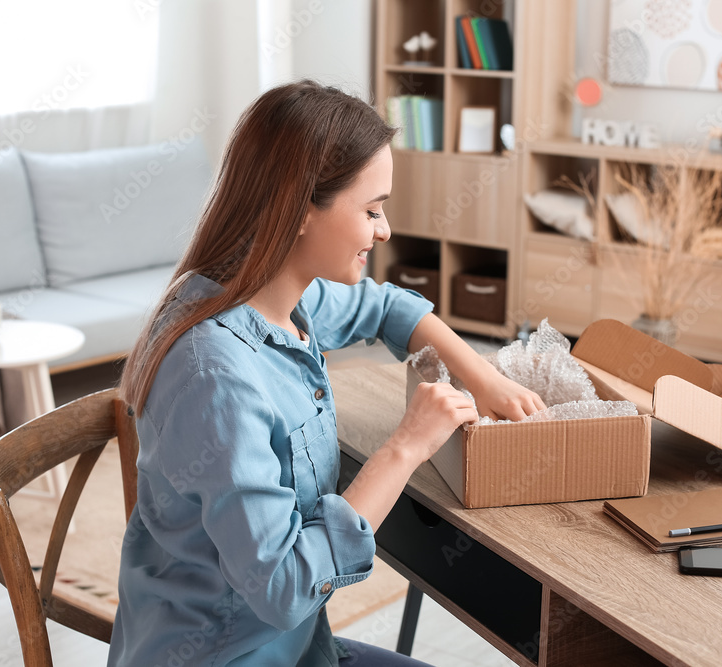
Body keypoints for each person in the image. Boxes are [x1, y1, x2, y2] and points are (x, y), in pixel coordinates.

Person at [108, 79, 545, 667]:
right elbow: (286, 587)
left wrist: (483, 376)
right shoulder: (217, 377)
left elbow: (386, 307)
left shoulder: (269, 291)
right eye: (371, 210)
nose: (384, 230)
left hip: (298, 650)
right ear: (299, 211)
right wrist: (405, 447)